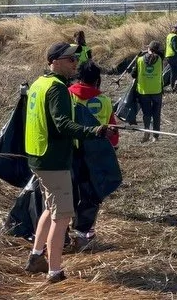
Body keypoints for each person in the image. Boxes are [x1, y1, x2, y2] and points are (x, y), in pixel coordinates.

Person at [23, 42, 116, 283]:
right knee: (63, 216)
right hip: (53, 160)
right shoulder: (57, 89)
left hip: (38, 156)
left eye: (75, 59)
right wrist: (94, 131)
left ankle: (36, 257)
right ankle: (54, 272)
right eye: (70, 59)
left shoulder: (38, 84)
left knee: (50, 209)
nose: (75, 63)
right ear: (54, 61)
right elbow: (63, 125)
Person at [67, 61, 119, 250]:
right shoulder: (104, 101)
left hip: (71, 151)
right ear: (98, 79)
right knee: (91, 193)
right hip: (95, 154)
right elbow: (112, 130)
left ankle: (63, 232)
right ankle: (83, 234)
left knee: (69, 192)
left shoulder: (68, 95)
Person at [131, 41, 164, 143]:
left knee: (146, 114)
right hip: (157, 90)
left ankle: (146, 131)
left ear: (148, 49)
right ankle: (156, 136)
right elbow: (160, 54)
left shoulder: (140, 60)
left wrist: (140, 54)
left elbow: (133, 74)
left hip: (144, 91)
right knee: (156, 114)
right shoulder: (160, 59)